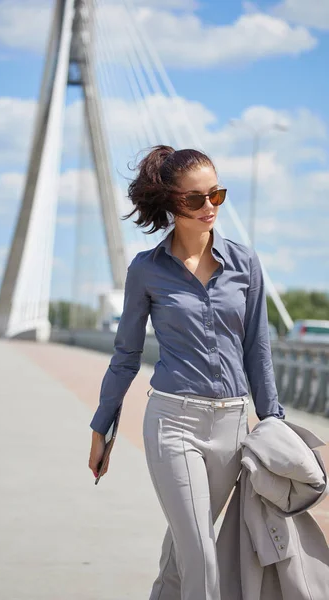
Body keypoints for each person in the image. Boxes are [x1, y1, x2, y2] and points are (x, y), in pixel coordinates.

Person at [88, 145, 285, 600]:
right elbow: (125, 356)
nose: (209, 207)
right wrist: (103, 426)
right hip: (173, 423)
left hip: (232, 427)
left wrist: (271, 420)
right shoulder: (147, 270)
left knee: (181, 555)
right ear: (171, 204)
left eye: (216, 194)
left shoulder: (245, 264)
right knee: (199, 550)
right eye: (195, 199)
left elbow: (258, 348)